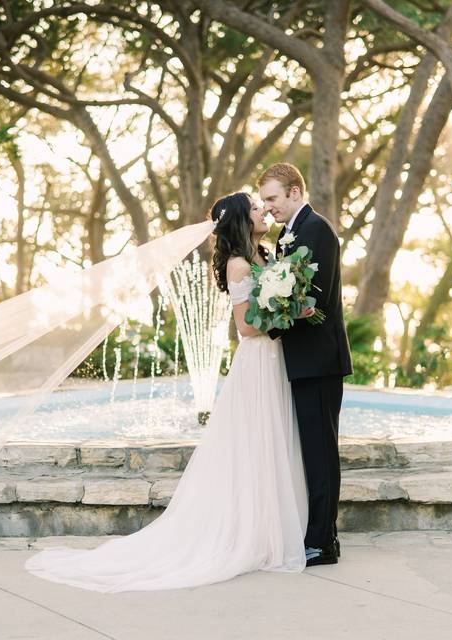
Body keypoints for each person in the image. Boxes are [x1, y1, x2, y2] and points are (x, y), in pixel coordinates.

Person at [24, 192, 313, 592]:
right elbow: (246, 326)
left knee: (272, 441)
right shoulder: (238, 263)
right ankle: (251, 534)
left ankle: (274, 529)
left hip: (275, 360)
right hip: (257, 362)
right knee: (254, 444)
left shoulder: (265, 254)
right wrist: (290, 314)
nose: (264, 211)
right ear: (241, 220)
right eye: (256, 207)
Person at [257, 163, 353, 567]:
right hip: (302, 360)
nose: (268, 208)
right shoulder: (289, 235)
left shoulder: (317, 230)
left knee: (321, 453)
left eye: (273, 199)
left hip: (319, 361)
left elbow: (313, 301)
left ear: (295, 192)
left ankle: (323, 542)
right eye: (264, 201)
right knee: (310, 452)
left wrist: (269, 319)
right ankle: (317, 535)